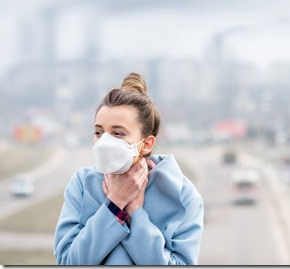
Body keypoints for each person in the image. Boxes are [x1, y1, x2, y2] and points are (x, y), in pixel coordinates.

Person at [54, 72, 204, 265]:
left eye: (118, 133)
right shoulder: (81, 184)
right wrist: (115, 204)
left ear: (147, 143)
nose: (104, 141)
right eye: (99, 132)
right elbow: (67, 262)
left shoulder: (183, 194)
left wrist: (136, 213)